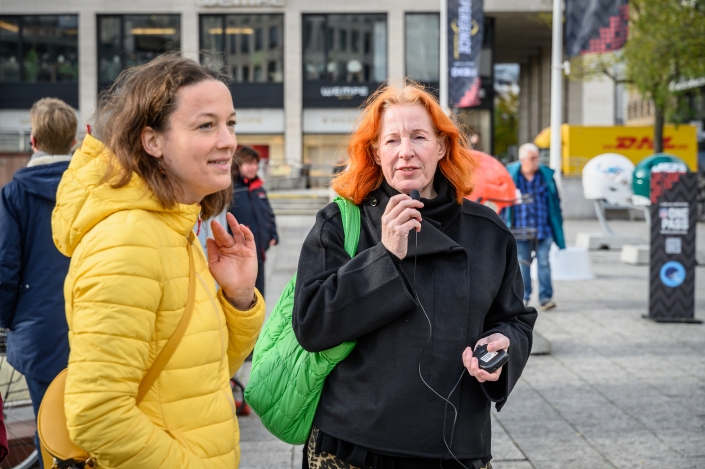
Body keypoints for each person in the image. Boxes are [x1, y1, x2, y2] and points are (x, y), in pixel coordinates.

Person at [292, 82, 536, 469]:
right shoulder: (341, 221)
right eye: (392, 140)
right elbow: (312, 324)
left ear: (442, 146)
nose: (405, 151)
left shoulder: (488, 230)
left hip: (456, 445)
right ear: (376, 152)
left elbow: (515, 319)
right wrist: (384, 255)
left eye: (419, 137)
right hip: (354, 445)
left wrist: (503, 343)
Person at [51, 53, 265, 468]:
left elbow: (199, 377)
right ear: (153, 141)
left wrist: (238, 299)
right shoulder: (128, 241)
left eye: (230, 123)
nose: (228, 141)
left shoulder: (173, 228)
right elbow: (97, 415)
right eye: (206, 125)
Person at [0, 97, 76, 468]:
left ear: (33, 141)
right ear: (74, 142)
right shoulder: (94, 190)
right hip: (96, 322)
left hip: (40, 331)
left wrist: (6, 320)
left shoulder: (14, 195)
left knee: (50, 430)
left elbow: (5, 266)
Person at [504, 143, 565, 311]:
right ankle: (523, 298)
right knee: (522, 265)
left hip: (543, 229)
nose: (536, 161)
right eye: (532, 158)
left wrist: (558, 224)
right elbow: (502, 204)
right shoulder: (511, 176)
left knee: (544, 263)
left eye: (537, 157)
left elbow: (555, 202)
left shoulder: (546, 176)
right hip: (520, 230)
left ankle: (546, 298)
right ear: (522, 159)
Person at [229, 146, 278, 297]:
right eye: (249, 163)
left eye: (256, 163)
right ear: (238, 164)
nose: (254, 167)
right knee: (242, 296)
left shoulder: (258, 188)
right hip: (239, 255)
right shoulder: (230, 189)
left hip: (259, 253)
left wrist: (273, 234)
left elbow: (268, 213)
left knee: (259, 294)